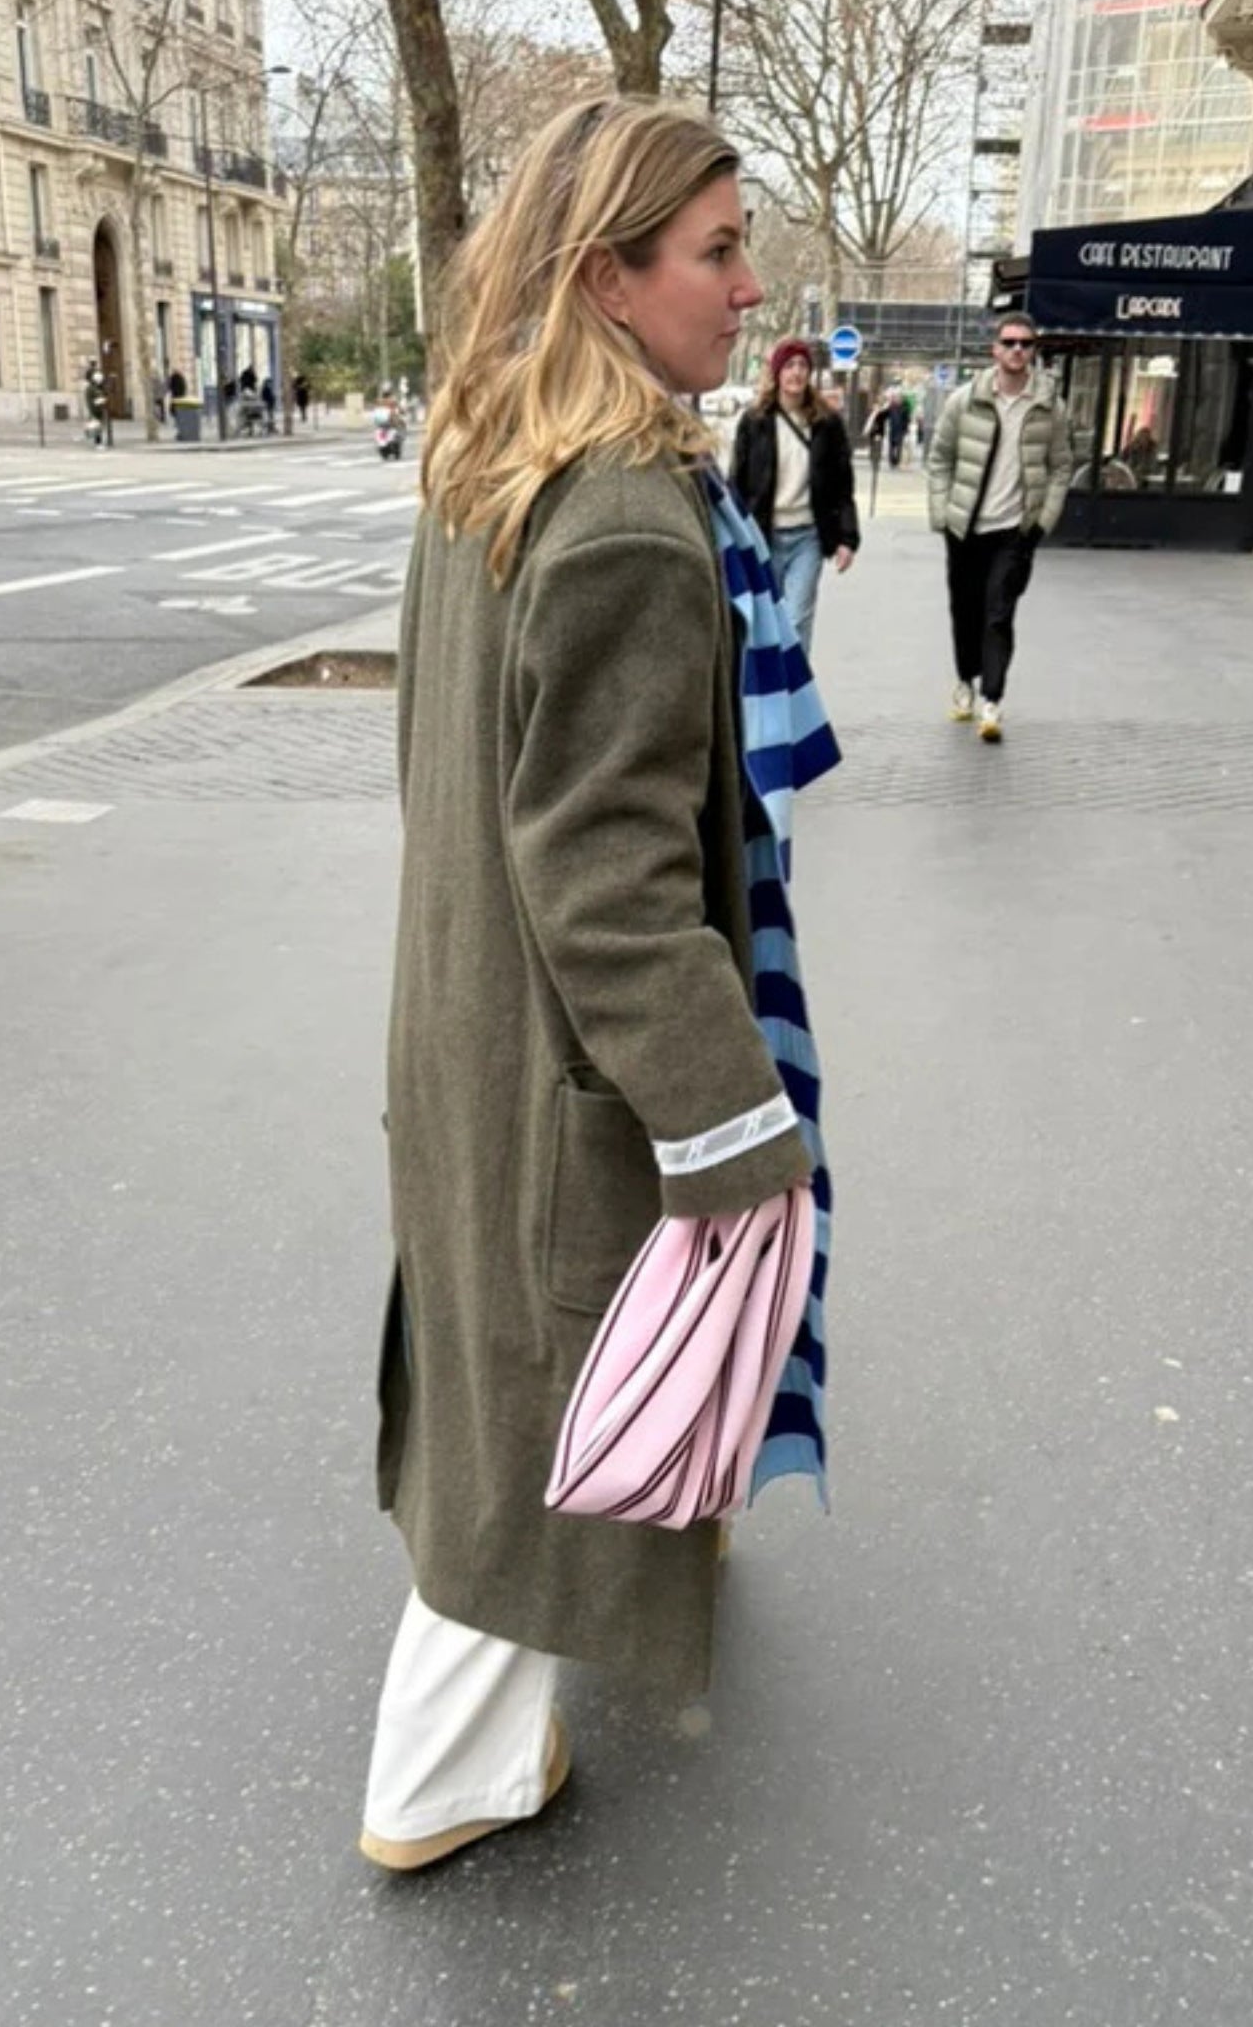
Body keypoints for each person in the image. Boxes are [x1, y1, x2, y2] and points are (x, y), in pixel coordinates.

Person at [365, 95, 831, 1874]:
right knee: (551, 1421)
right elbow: (614, 881)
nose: (744, 283)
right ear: (605, 274)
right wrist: (736, 1133)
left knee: (506, 1378)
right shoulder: (629, 517)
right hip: (575, 1064)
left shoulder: (487, 465)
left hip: (469, 1031)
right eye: (713, 251)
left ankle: (483, 1731)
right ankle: (435, 1780)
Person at [925, 310, 1073, 742]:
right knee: (965, 612)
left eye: (1025, 344)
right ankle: (965, 681)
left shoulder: (1049, 407)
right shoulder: (965, 400)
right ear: (994, 349)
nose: (1017, 350)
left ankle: (992, 700)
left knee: (998, 614)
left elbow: (1061, 466)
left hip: (1014, 531)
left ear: (1034, 350)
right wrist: (943, 515)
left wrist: (1042, 522)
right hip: (966, 528)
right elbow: (940, 460)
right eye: (1009, 342)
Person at [727, 336, 859, 656]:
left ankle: (796, 694)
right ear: (777, 373)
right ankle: (770, 689)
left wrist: (847, 539)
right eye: (789, 366)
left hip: (808, 536)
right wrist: (733, 536)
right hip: (764, 534)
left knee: (798, 618)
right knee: (767, 618)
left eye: (802, 366)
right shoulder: (755, 421)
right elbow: (737, 483)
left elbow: (842, 484)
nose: (796, 373)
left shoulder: (826, 423)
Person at [887, 390, 911, 469]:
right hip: (893, 428)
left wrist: (906, 429)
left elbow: (907, 419)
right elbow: (888, 416)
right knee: (892, 445)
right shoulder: (891, 407)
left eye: (900, 398)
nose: (898, 399)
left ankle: (897, 460)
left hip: (901, 429)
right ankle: (891, 460)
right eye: (897, 398)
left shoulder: (905, 408)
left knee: (899, 446)